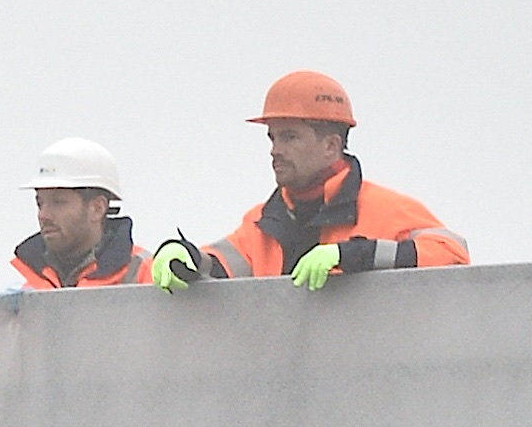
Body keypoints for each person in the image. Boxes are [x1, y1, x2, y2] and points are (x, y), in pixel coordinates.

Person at [148, 73, 469, 288]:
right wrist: (183, 254)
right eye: (272, 138)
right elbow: (220, 264)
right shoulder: (264, 222)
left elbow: (453, 253)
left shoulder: (386, 209)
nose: (276, 151)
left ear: (331, 145)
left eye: (289, 137)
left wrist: (351, 255)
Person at [11, 139, 148, 290]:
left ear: (97, 208)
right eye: (40, 203)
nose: (44, 215)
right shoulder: (30, 291)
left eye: (58, 202)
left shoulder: (145, 275)